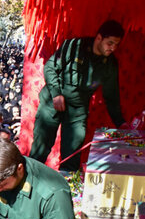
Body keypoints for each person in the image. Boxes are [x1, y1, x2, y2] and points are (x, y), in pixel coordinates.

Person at [30, 19, 126, 171]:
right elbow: (50, 67)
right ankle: (31, 187)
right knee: (40, 150)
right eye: (110, 43)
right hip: (52, 102)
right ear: (99, 38)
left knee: (72, 157)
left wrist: (121, 123)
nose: (113, 48)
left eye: (116, 44)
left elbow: (111, 96)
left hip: (77, 110)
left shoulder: (110, 64)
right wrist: (56, 94)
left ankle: (67, 191)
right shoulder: (74, 46)